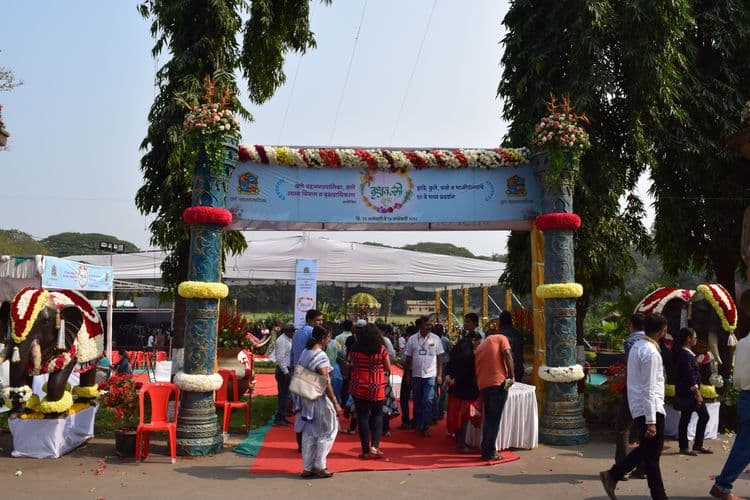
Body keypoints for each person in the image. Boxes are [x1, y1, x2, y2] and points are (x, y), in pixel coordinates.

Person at [600, 313, 669, 500]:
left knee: (650, 452)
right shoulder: (650, 352)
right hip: (650, 407)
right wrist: (651, 421)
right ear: (663, 331)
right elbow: (649, 388)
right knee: (652, 453)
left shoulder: (637, 347)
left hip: (640, 405)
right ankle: (614, 474)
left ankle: (614, 475)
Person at [295, 325, 342, 479]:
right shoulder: (320, 355)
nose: (329, 340)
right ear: (323, 338)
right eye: (328, 337)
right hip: (319, 399)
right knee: (328, 430)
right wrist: (335, 402)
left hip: (306, 396)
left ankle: (307, 467)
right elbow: (325, 381)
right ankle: (320, 466)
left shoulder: (305, 352)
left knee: (310, 432)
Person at [710, 331, 750, 499]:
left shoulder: (743, 342)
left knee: (744, 445)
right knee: (744, 447)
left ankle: (723, 485)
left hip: (744, 394)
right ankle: (722, 485)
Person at [349, 323, 391, 459]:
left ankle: (365, 450)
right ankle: (375, 446)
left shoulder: (355, 347)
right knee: (377, 415)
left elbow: (351, 364)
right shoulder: (381, 349)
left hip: (358, 385)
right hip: (376, 386)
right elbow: (387, 367)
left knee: (362, 417)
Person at [474, 329, 515, 461]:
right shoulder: (501, 338)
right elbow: (507, 353)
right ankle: (490, 452)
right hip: (497, 383)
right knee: (494, 420)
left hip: (484, 385)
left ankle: (486, 449)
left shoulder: (481, 346)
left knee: (489, 419)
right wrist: (511, 375)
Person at [614, 313, 647, 477]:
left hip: (632, 388)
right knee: (644, 429)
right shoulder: (652, 343)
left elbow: (631, 365)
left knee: (623, 427)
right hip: (648, 390)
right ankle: (642, 468)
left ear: (630, 324)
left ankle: (622, 468)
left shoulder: (630, 342)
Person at [672, 327, 712, 456]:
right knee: (688, 418)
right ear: (688, 339)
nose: (696, 339)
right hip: (689, 394)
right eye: (694, 337)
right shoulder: (685, 356)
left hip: (690, 393)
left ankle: (697, 444)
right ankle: (685, 446)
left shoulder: (688, 354)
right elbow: (690, 377)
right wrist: (697, 394)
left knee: (700, 417)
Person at [403, 316, 444, 437]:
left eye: (430, 325)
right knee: (417, 401)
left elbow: (440, 358)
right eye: (426, 325)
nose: (429, 327)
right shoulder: (412, 339)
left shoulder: (436, 339)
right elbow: (408, 358)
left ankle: (425, 426)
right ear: (419, 326)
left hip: (430, 375)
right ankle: (418, 423)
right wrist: (407, 375)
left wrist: (439, 374)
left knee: (428, 400)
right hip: (416, 375)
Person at [445, 332, 481, 453]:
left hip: (455, 391)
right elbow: (466, 372)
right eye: (478, 342)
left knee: (458, 417)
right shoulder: (470, 355)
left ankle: (459, 442)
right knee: (464, 418)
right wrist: (456, 379)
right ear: (474, 340)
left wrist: (450, 378)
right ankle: (461, 445)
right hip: (466, 391)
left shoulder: (457, 350)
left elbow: (449, 365)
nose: (479, 345)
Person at [272, 322, 295, 426]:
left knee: (286, 395)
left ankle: (282, 416)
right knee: (283, 395)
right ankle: (279, 418)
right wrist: (286, 372)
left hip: (286, 369)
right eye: (291, 331)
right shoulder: (281, 341)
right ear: (286, 331)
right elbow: (280, 358)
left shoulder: (288, 339)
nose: (293, 333)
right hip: (283, 371)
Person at [398, 324, 417, 429]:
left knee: (404, 397)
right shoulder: (421, 341)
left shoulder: (410, 342)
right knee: (417, 397)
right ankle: (416, 420)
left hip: (409, 371)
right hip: (419, 372)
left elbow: (404, 359)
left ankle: (406, 420)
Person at [433, 323, 452, 421]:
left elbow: (451, 352)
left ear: (442, 331)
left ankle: (440, 412)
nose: (437, 332)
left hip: (444, 366)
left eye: (439, 330)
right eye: (435, 330)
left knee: (443, 390)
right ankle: (435, 412)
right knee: (434, 390)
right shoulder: (432, 340)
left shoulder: (446, 341)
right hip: (434, 366)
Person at [498, 311, 524, 381]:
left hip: (504, 368)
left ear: (500, 321)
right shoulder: (518, 332)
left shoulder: (499, 334)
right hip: (518, 366)